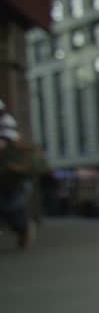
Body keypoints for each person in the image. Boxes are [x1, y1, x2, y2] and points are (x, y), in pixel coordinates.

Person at [0, 100, 34, 248]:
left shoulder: (6, 122)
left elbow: (12, 141)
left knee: (12, 208)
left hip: (10, 178)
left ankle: (23, 230)